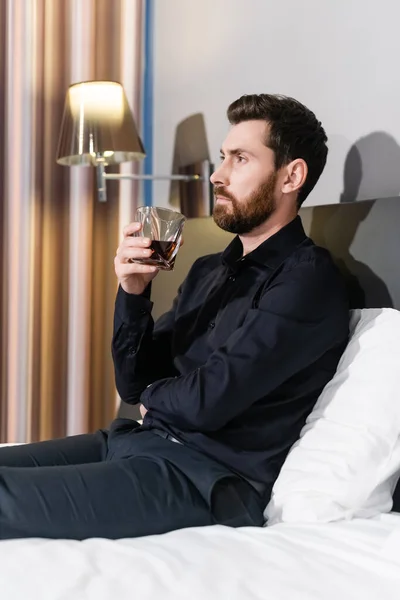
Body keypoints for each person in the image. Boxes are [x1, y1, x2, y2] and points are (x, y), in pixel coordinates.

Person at [0, 94, 349, 540]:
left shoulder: (307, 280)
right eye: (223, 157)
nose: (217, 176)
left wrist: (154, 396)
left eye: (240, 159)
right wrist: (133, 291)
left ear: (291, 176)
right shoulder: (208, 269)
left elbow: (209, 400)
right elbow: (132, 384)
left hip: (201, 477)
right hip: (134, 443)